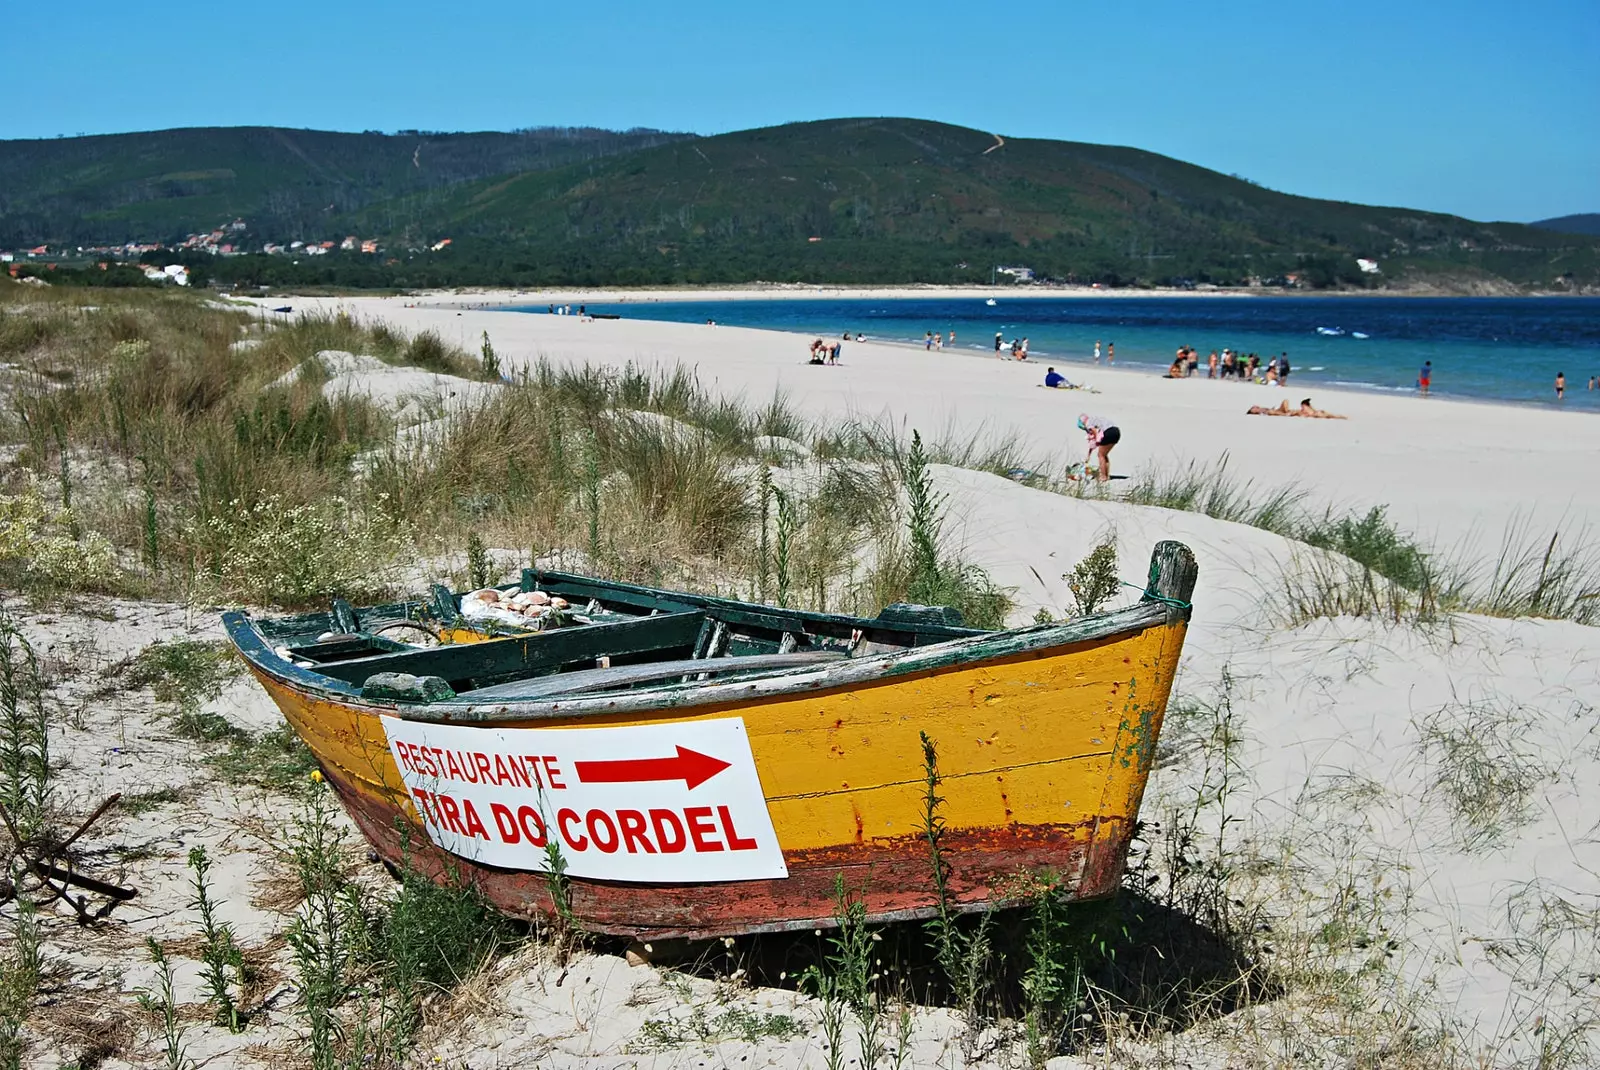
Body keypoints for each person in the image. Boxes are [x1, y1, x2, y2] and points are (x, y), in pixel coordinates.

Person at [1077, 414, 1120, 481]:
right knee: (1104, 455)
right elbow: (1092, 444)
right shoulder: (1095, 420)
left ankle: (1103, 476)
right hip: (1116, 431)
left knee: (1100, 455)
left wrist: (1097, 439)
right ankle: (1106, 475)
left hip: (1108, 432)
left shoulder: (1088, 423)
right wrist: (1088, 455)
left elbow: (1093, 430)